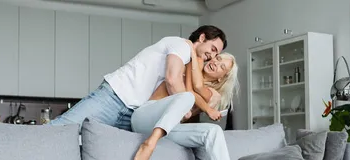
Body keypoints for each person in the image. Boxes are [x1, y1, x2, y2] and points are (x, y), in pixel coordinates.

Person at [130, 42, 251, 160]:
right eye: (218, 58)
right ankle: (149, 144)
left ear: (222, 77)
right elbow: (189, 93)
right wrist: (195, 58)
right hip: (144, 117)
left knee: (213, 131)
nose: (216, 63)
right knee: (187, 97)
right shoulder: (188, 67)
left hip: (168, 127)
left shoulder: (211, 95)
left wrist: (196, 110)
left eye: (222, 66)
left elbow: (185, 114)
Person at [49, 25, 227, 131]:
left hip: (133, 113)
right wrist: (183, 109)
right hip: (113, 98)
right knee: (60, 130)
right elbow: (172, 80)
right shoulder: (181, 45)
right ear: (202, 38)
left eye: (216, 54)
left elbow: (189, 87)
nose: (212, 56)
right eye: (212, 49)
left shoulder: (189, 61)